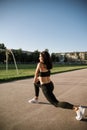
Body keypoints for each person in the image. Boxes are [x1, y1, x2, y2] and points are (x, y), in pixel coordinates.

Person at [28, 51, 85, 121]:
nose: (39, 57)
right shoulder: (48, 64)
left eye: (40, 56)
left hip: (45, 87)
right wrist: (38, 81)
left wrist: (35, 80)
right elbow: (43, 74)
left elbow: (36, 75)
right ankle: (36, 98)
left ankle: (77, 109)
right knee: (36, 83)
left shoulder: (39, 64)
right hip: (50, 85)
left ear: (43, 58)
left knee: (56, 103)